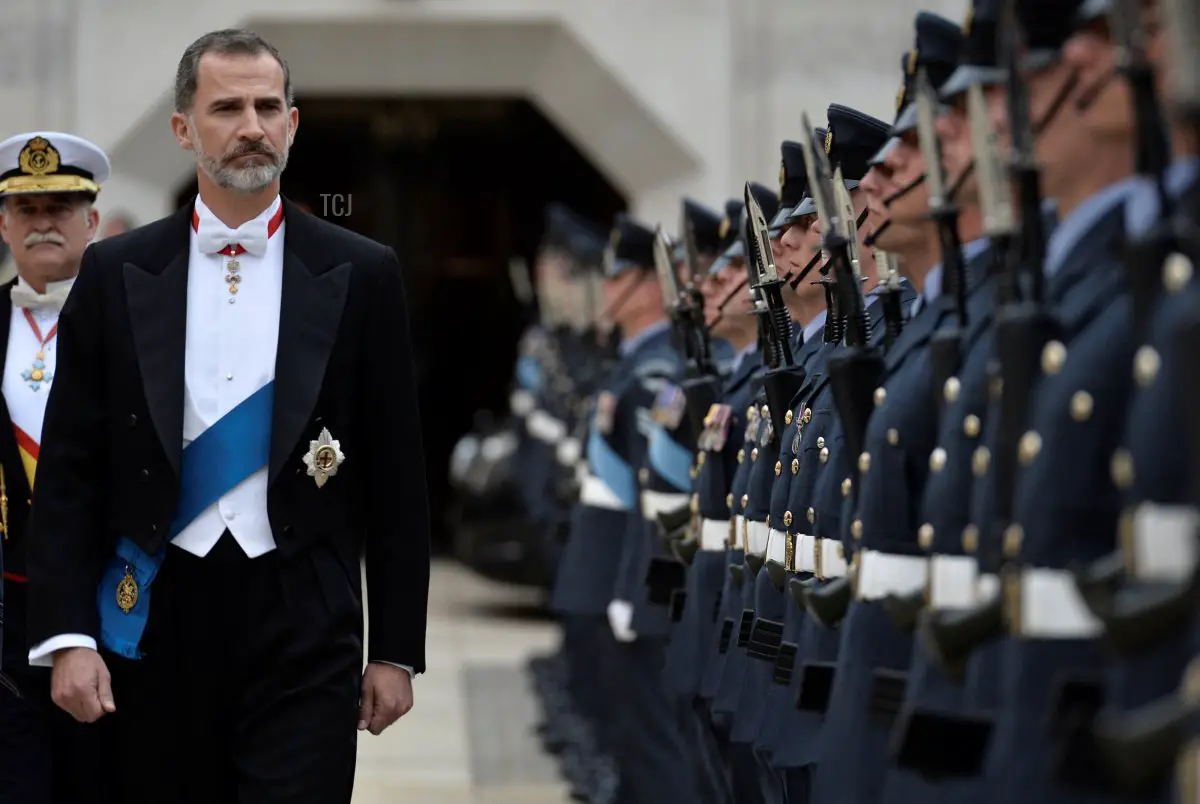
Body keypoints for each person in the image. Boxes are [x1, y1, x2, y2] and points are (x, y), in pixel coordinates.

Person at [23, 28, 430, 804]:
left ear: (292, 123)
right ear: (183, 129)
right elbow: (71, 469)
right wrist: (69, 636)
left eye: (268, 106)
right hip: (153, 610)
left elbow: (398, 478)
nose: (252, 125)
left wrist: (397, 650)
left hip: (306, 619)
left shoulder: (363, 272)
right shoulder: (116, 272)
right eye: (227, 107)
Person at [0, 131, 113, 804]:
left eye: (62, 207)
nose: (44, 222)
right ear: (5, 223)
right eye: (28, 208)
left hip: (111, 606)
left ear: (93, 220)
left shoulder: (139, 319)